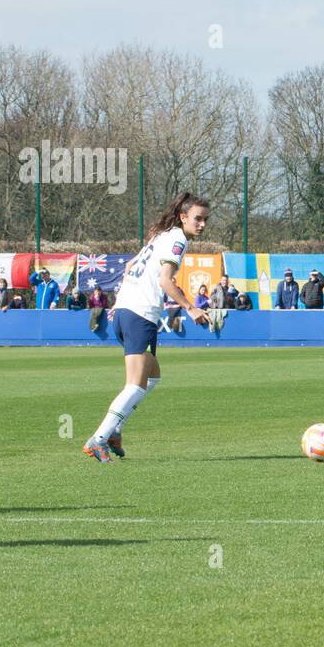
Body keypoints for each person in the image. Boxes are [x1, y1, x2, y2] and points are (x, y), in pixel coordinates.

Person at [83, 191, 210, 463]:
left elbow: (129, 265)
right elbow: (165, 281)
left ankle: (116, 430)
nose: (202, 225)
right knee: (135, 386)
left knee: (152, 377)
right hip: (139, 314)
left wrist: (120, 301)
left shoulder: (161, 236)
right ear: (183, 217)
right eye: (198, 219)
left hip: (129, 312)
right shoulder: (176, 239)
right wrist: (191, 307)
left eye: (205, 220)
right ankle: (99, 439)